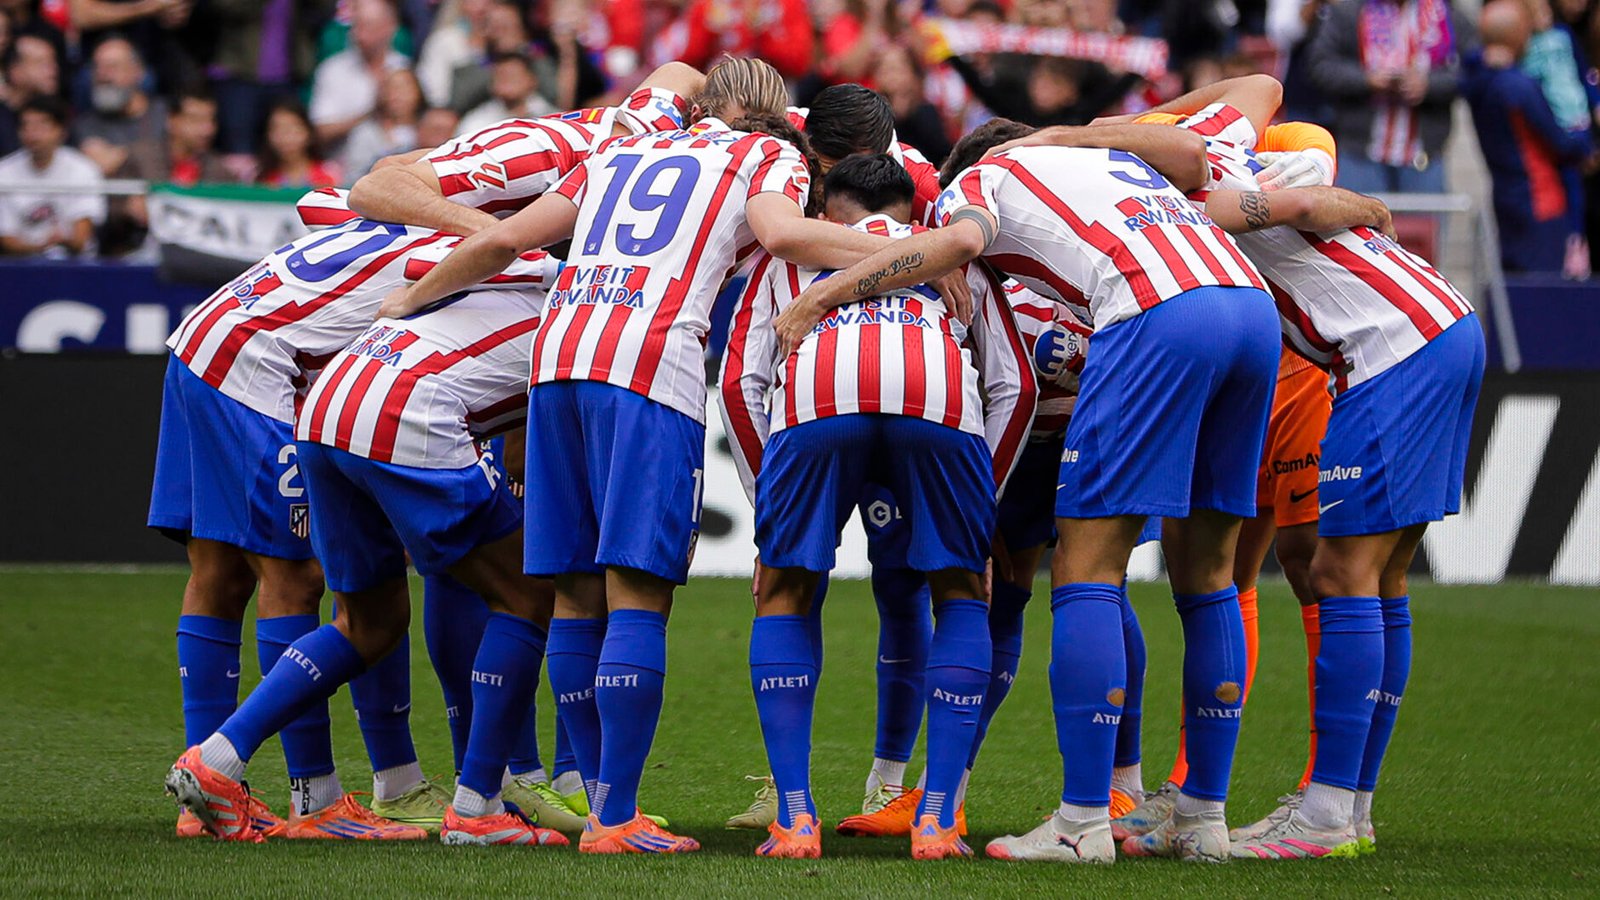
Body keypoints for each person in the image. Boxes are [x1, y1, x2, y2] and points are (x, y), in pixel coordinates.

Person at [382, 57, 970, 854]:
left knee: (574, 595)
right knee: (636, 594)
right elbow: (786, 235)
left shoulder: (618, 153)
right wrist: (928, 252)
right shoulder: (762, 156)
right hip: (648, 365)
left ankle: (584, 801)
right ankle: (615, 819)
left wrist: (411, 298)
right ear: (771, 123)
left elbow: (511, 238)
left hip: (555, 361)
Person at [778, 117, 1277, 863]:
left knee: (1086, 571)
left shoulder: (982, 183)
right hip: (1249, 307)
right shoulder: (1105, 162)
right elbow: (1194, 149)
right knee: (1208, 575)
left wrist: (826, 294)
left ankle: (1082, 823)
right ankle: (1201, 815)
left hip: (1156, 311)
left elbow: (959, 245)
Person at [168, 261, 573, 847]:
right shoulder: (583, 308)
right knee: (527, 594)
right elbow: (517, 463)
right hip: (402, 408)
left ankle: (216, 761)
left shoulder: (500, 260)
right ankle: (479, 805)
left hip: (329, 401)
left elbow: (327, 205)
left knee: (368, 620)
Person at [720, 152, 1036, 860]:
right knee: (960, 593)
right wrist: (981, 504)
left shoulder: (792, 255)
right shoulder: (955, 259)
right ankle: (936, 820)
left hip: (818, 400)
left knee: (786, 592)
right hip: (937, 401)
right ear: (910, 209)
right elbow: (1016, 388)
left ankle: (795, 819)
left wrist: (767, 510)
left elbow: (741, 383)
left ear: (825, 209)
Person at [1464, 0, 1593, 273]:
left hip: (1505, 195)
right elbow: (1561, 142)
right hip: (1539, 199)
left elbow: (1467, 69)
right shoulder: (1519, 86)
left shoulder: (1477, 82)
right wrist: (1584, 142)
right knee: (1541, 293)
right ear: (1520, 33)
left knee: (1511, 287)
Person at [1306, 0, 1477, 194]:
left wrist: (1428, 84)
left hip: (1422, 155)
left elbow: (1472, 70)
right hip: (1360, 152)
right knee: (1356, 222)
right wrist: (1367, 80)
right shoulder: (1350, 11)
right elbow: (1321, 66)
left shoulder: (1444, 14)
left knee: (1423, 223)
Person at [0, 97, 103, 257]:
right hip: (20, 266)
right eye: (26, 125)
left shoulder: (83, 169)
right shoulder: (4, 171)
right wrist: (41, 246)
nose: (32, 133)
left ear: (61, 131)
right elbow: (5, 238)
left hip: (74, 265)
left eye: (42, 125)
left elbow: (81, 238)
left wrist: (63, 240)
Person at [308, 0, 410, 152]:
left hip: (398, 161)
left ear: (390, 27)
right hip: (343, 166)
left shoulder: (404, 67)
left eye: (368, 27)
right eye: (356, 26)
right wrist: (369, 116)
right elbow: (320, 130)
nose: (359, 35)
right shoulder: (332, 70)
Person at [74, 36, 167, 178]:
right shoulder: (87, 123)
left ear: (137, 72)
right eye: (97, 68)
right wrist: (148, 150)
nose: (103, 76)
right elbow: (102, 165)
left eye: (112, 67)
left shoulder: (165, 113)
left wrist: (119, 154)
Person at [341, 67, 424, 179]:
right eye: (392, 89)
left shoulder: (431, 128)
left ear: (418, 91)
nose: (398, 95)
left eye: (404, 88)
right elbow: (355, 177)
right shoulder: (366, 133)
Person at [458, 51, 556, 136]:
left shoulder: (552, 118)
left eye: (513, 76)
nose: (506, 81)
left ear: (532, 80)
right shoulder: (476, 123)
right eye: (500, 76)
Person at [256, 100, 341, 188]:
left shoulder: (329, 173)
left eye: (293, 129)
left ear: (308, 131)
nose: (286, 137)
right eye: (277, 129)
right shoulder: (261, 178)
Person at [0, 33, 61, 156]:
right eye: (42, 63)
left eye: (53, 62)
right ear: (16, 71)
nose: (54, 70)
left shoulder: (60, 111)